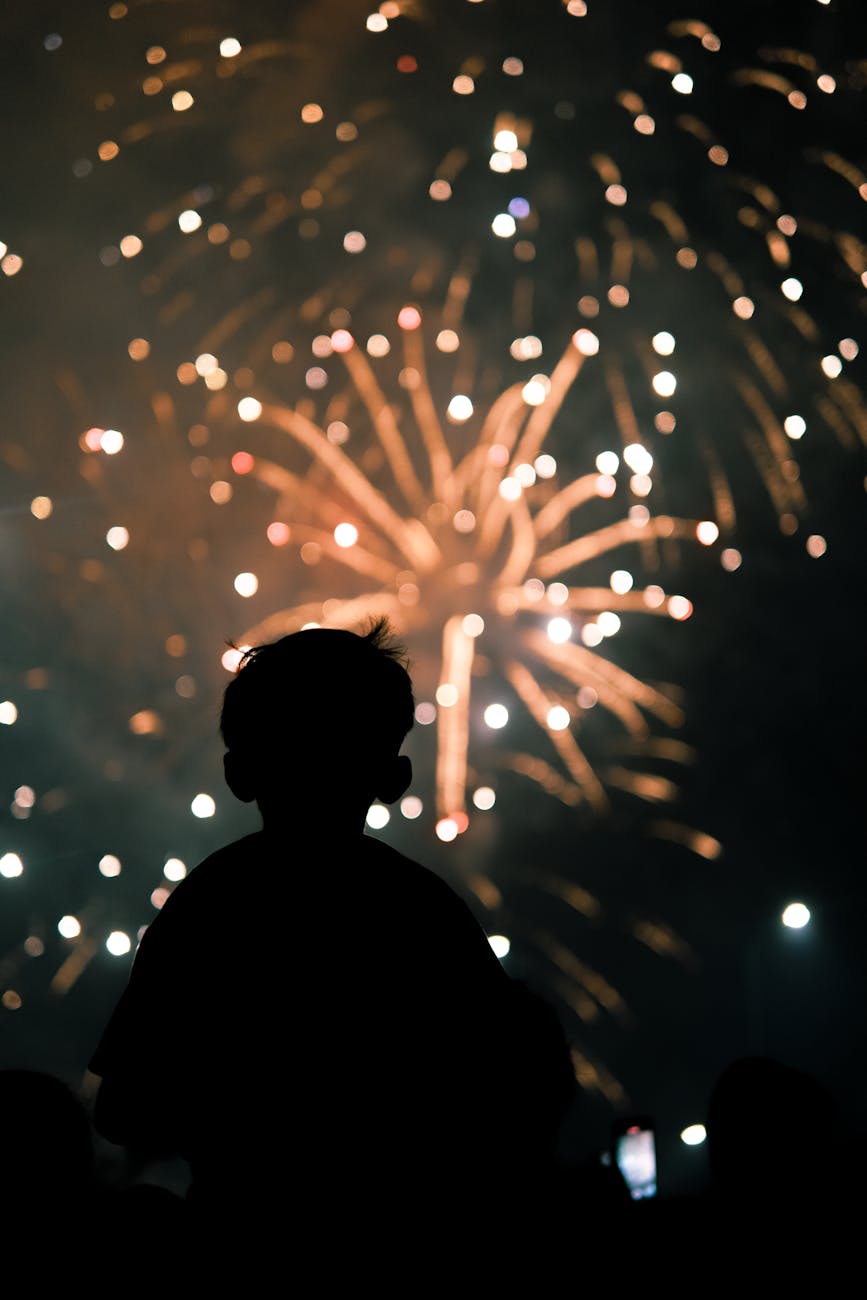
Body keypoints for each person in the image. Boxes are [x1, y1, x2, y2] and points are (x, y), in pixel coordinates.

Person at [90, 620, 575, 1247]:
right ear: (393, 779)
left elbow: (122, 1112)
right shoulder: (426, 914)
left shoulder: (205, 908)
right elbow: (514, 1098)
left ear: (239, 776)